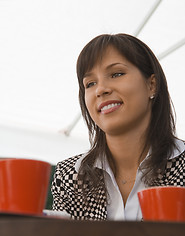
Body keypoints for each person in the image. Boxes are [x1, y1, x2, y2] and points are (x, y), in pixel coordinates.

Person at [51, 33, 185, 221]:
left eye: (116, 74)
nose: (101, 89)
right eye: (90, 83)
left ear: (152, 85)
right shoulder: (69, 177)